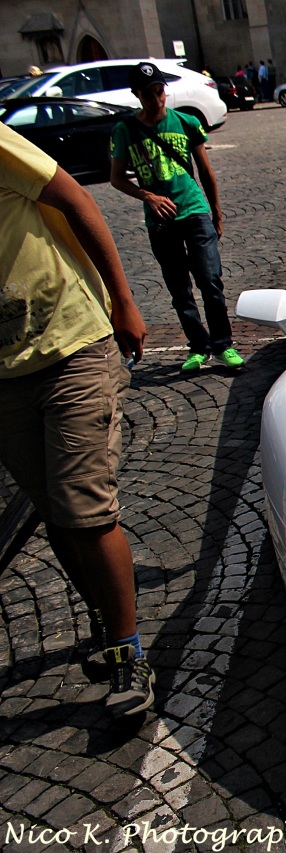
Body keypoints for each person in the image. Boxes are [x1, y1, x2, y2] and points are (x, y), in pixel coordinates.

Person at [0, 122, 154, 717]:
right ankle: (102, 616)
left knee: (83, 510)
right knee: (55, 514)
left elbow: (76, 198)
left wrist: (123, 299)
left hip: (72, 345)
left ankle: (127, 651)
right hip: (5, 371)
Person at [109, 62, 243, 372]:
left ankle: (223, 345)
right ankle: (198, 346)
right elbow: (116, 178)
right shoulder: (125, 131)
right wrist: (148, 196)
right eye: (148, 95)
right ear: (137, 95)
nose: (156, 101)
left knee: (210, 280)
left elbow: (207, 173)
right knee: (179, 290)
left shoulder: (186, 122)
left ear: (164, 90)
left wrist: (217, 215)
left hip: (195, 211)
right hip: (160, 221)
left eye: (159, 92)